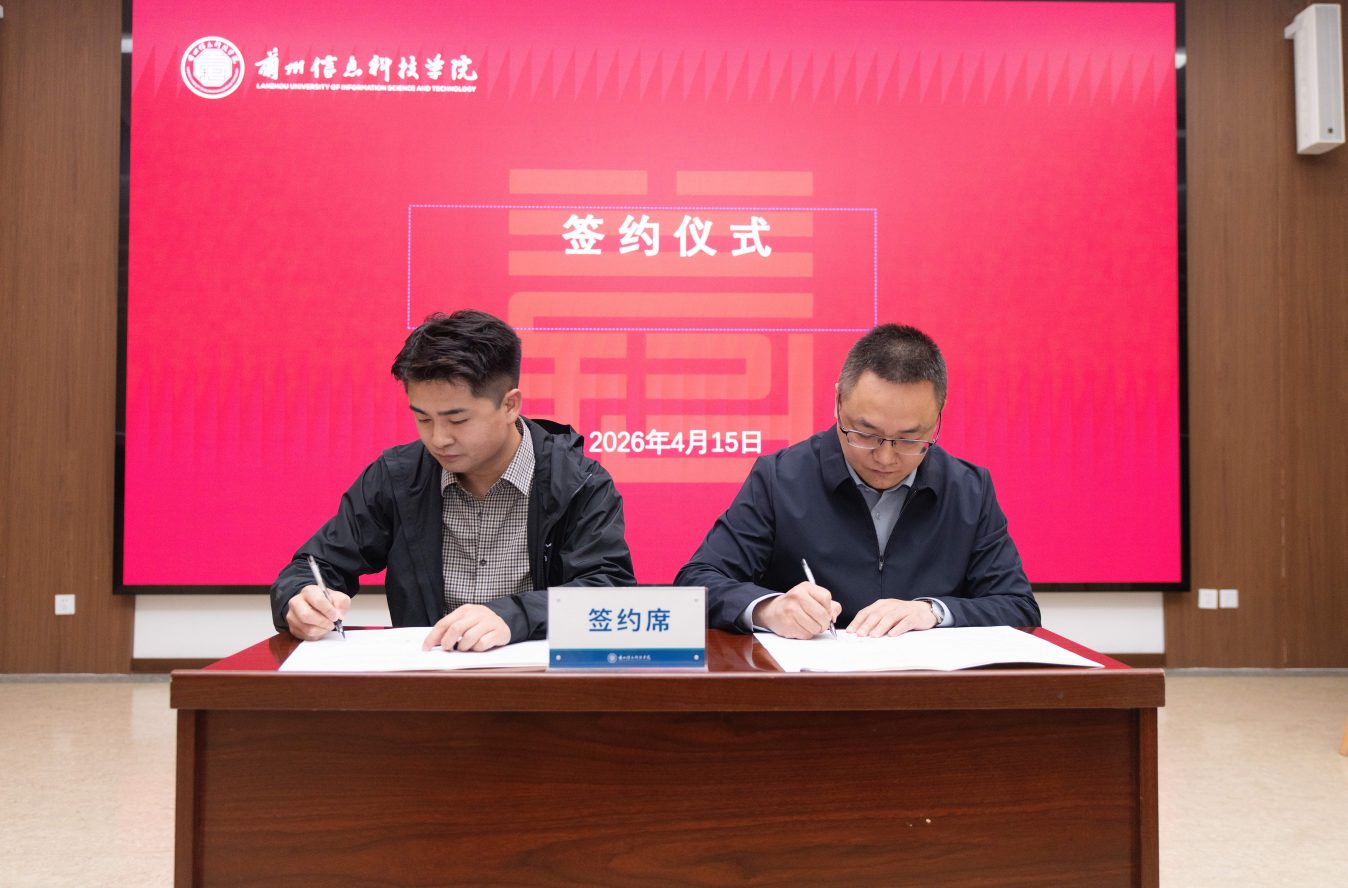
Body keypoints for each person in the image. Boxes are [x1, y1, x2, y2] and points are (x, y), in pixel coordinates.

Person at [271, 310, 635, 651]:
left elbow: (609, 592)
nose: (438, 438)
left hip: (537, 685)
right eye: (423, 419)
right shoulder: (397, 477)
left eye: (457, 420)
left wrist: (516, 616)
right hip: (429, 685)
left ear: (510, 405)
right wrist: (300, 598)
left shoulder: (578, 482)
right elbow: (317, 565)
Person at [676, 324, 1040, 639]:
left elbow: (1019, 608)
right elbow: (696, 583)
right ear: (838, 401)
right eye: (866, 434)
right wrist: (768, 609)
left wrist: (933, 612)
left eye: (910, 439)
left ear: (937, 419)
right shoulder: (780, 479)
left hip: (924, 690)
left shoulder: (969, 490)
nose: (885, 458)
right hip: (810, 688)